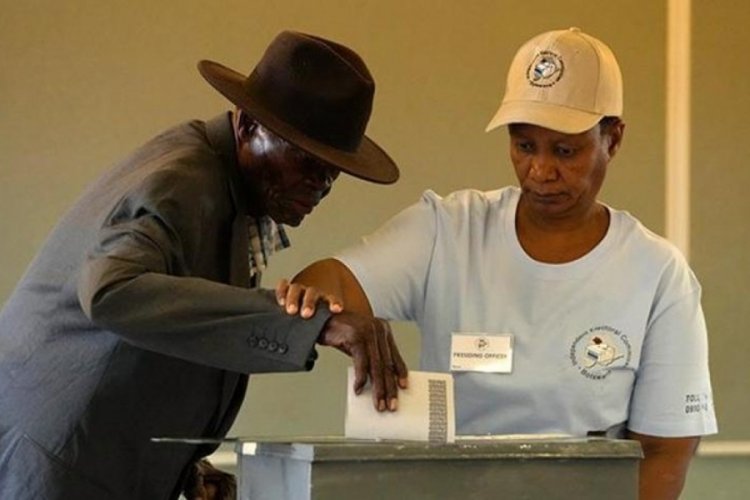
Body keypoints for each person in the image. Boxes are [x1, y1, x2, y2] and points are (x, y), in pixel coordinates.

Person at [287, 28, 717, 499]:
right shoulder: (448, 231)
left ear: (612, 139)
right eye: (524, 145)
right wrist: (343, 322)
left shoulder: (656, 275)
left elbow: (664, 451)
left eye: (566, 150)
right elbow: (320, 283)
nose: (541, 170)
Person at [0, 30, 408, 500]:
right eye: (307, 161)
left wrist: (184, 466)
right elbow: (111, 291)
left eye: (334, 170)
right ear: (250, 126)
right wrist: (312, 326)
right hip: (49, 469)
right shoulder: (181, 182)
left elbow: (166, 331)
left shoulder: (225, 184)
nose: (322, 184)